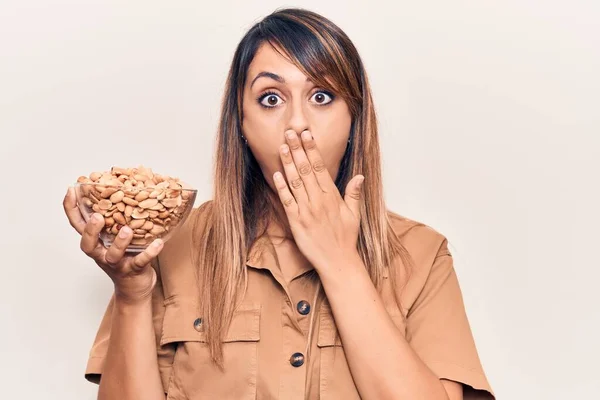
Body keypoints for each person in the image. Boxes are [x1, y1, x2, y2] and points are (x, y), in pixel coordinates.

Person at [64, 7, 495, 400]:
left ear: (353, 119)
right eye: (271, 98)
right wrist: (132, 296)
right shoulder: (173, 245)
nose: (298, 124)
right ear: (243, 124)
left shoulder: (421, 255)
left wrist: (339, 261)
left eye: (322, 96)